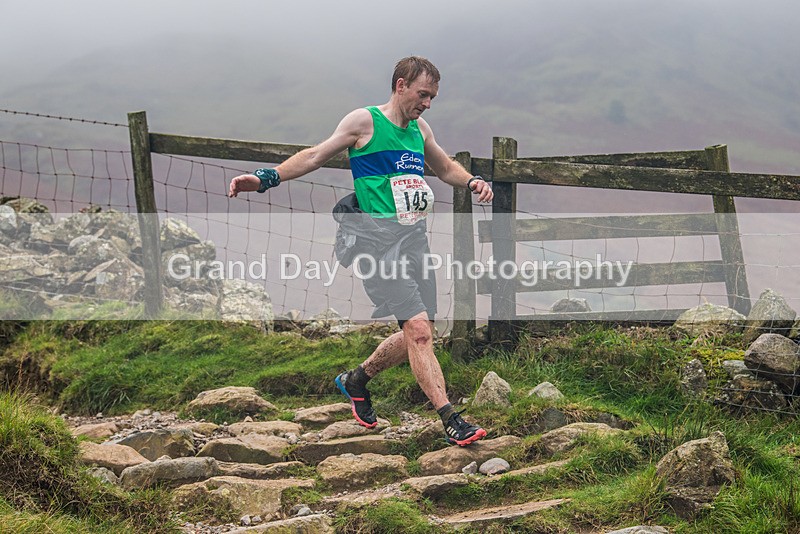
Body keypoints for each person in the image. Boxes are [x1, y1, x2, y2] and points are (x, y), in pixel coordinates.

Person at [229, 56, 493, 446]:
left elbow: (443, 168)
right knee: (419, 332)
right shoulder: (364, 122)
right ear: (401, 85)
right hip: (376, 244)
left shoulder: (420, 129)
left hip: (413, 240)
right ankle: (451, 419)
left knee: (420, 332)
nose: (427, 104)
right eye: (423, 94)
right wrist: (265, 178)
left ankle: (357, 379)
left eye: (433, 98)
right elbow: (314, 156)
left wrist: (471, 181)